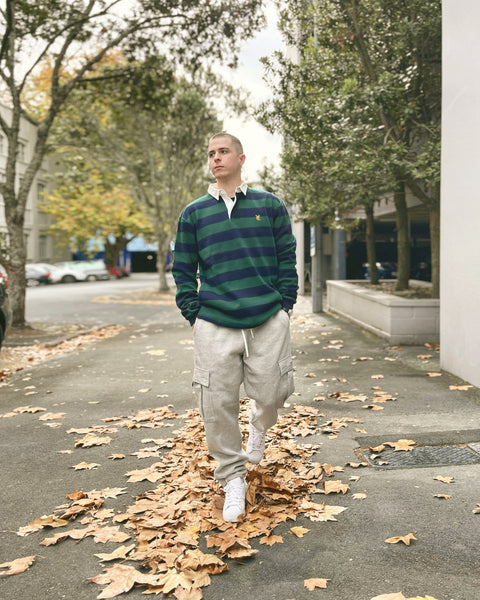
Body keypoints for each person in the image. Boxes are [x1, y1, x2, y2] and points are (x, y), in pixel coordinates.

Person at [172, 132, 298, 522]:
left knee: (274, 389)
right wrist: (193, 312)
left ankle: (259, 428)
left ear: (241, 158)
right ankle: (233, 479)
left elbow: (286, 257)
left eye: (223, 151)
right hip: (214, 321)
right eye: (211, 153)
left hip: (267, 318)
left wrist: (285, 307)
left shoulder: (269, 205)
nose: (216, 158)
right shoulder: (194, 213)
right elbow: (183, 268)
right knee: (216, 402)